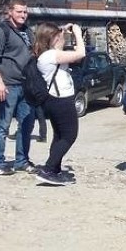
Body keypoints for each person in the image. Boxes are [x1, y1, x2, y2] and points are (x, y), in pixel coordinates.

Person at [0, 0, 37, 176]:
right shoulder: (1, 31)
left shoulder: (28, 31)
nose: (23, 15)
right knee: (3, 125)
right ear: (10, 12)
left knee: (27, 124)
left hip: (26, 86)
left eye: (25, 11)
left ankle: (21, 160)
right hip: (8, 85)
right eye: (19, 11)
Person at [32, 22, 85, 186]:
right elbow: (81, 53)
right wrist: (77, 33)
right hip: (60, 100)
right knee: (70, 135)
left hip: (56, 99)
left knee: (60, 136)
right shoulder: (50, 56)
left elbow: (64, 49)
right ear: (52, 38)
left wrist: (63, 30)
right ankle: (48, 169)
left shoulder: (49, 54)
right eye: (59, 35)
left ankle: (55, 169)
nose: (62, 37)